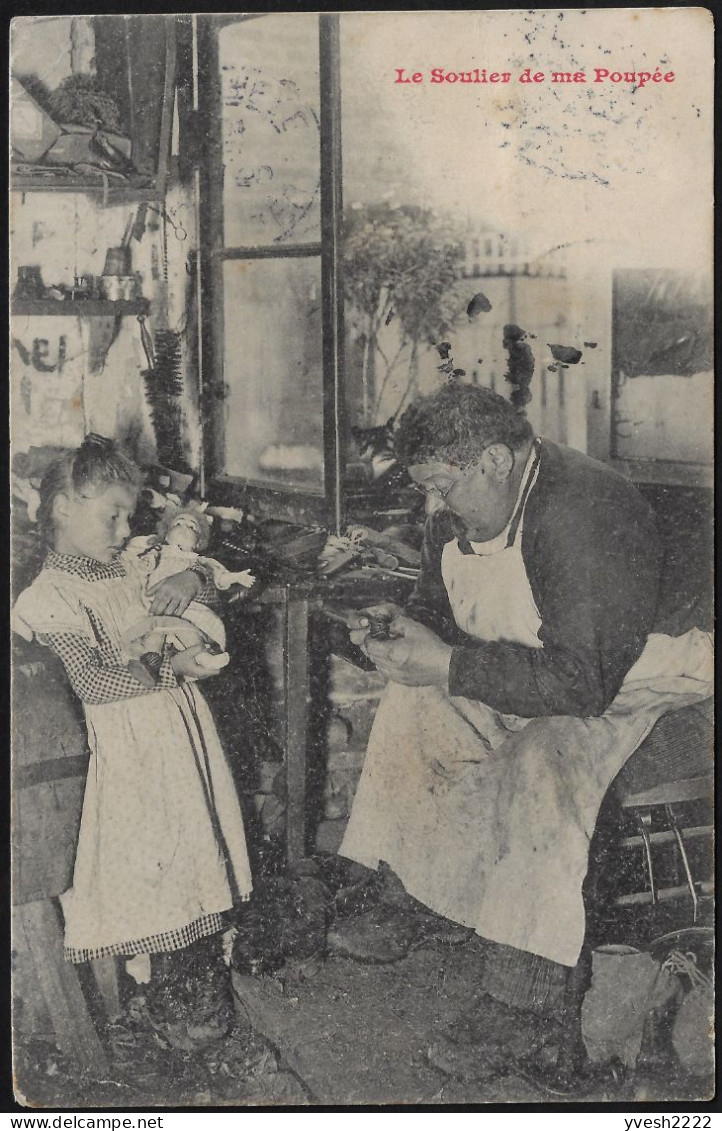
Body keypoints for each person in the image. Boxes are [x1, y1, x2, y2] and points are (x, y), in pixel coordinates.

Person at [338, 383, 712, 1060]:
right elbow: (444, 613)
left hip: (656, 676)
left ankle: (524, 995)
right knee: (414, 702)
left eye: (442, 485)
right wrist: (401, 631)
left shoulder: (582, 510)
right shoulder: (457, 509)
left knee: (548, 753)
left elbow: (583, 682)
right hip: (561, 663)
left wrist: (450, 665)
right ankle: (424, 896)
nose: (432, 504)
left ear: (495, 461)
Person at [12, 434, 252, 988]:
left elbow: (211, 593)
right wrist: (175, 668)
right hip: (125, 748)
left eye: (129, 518)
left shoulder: (129, 565)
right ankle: (166, 978)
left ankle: (194, 961)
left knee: (190, 839)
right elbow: (94, 681)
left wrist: (190, 575)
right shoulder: (49, 598)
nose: (125, 531)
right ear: (63, 508)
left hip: (171, 730)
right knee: (149, 855)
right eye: (113, 517)